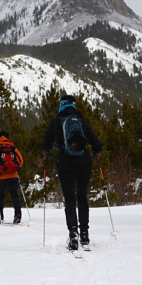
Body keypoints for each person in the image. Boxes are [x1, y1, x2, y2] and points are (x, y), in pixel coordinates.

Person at [41, 95, 103, 250]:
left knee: (69, 200)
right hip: (84, 162)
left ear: (61, 105)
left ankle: (73, 234)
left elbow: (45, 146)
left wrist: (47, 152)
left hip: (65, 163)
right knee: (82, 197)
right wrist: (96, 151)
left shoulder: (56, 122)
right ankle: (84, 233)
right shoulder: (81, 122)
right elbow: (97, 144)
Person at [0, 131, 24, 224]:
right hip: (14, 176)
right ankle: (18, 215)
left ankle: (0, 216)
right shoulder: (13, 147)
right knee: (15, 195)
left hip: (1, 176)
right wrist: (15, 168)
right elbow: (21, 161)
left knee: (0, 196)